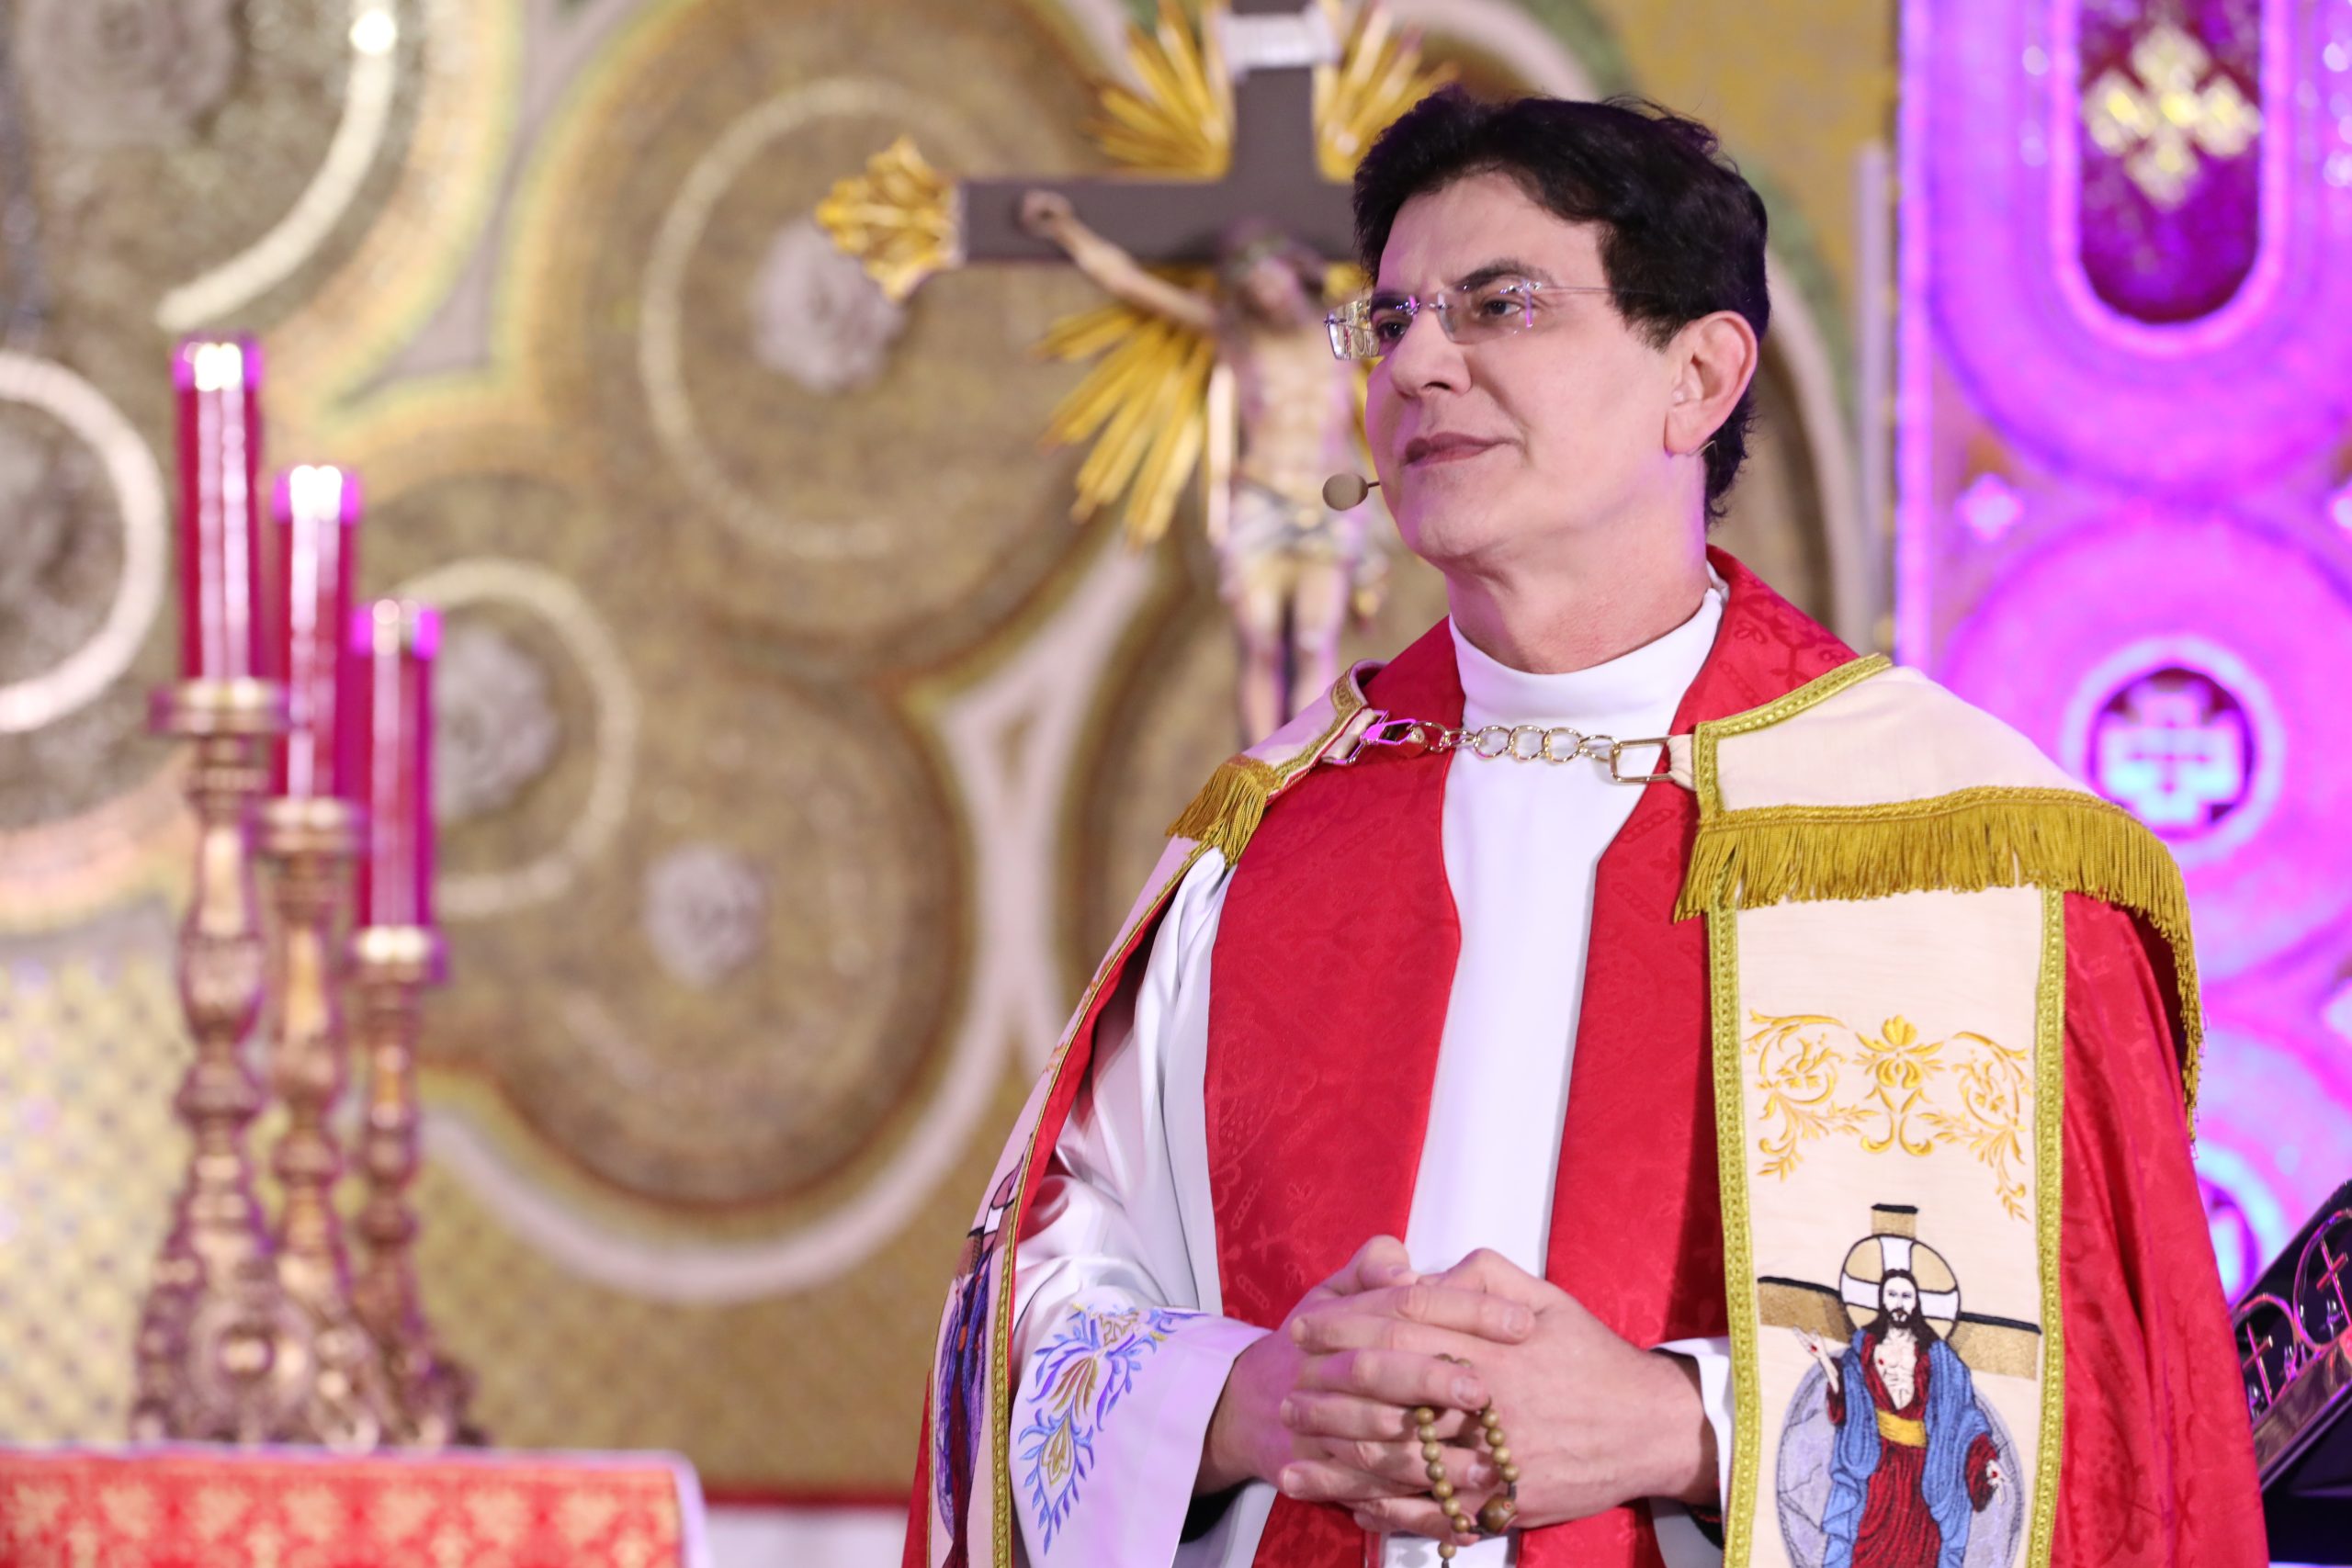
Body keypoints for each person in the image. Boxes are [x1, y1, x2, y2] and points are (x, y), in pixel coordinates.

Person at [907, 89, 2267, 1568]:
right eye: (1392, 320)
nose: (1417, 364)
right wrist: (1243, 1399)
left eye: (1501, 305)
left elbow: (2119, 1416)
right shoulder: (1267, 840)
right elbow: (1038, 1306)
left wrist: (1686, 1425)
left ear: (1700, 375)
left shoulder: (1959, 851)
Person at [1019, 195, 1385, 740]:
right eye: (1254, 289)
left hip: (1326, 501)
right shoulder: (1238, 338)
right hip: (1263, 497)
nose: (1268, 294)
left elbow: (1409, 272)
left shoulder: (1341, 327)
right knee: (1260, 643)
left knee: (1315, 640)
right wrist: (1067, 230)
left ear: (1295, 270)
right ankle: (1262, 763)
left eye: (1273, 279)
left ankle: (1308, 760)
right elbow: (1128, 283)